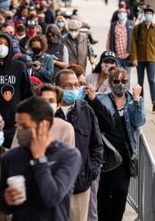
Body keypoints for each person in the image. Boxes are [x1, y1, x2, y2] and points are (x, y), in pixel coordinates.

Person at [0, 96, 82, 221]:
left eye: (25, 126)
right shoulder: (10, 157)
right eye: (18, 126)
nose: (20, 131)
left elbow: (52, 197)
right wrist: (7, 199)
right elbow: (4, 208)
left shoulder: (68, 155)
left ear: (44, 125)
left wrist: (40, 159)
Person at [96, 67, 145, 221]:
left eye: (124, 81)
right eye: (116, 81)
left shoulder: (133, 99)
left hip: (125, 154)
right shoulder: (102, 100)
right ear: (110, 82)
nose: (121, 84)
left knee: (121, 191)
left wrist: (137, 100)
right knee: (104, 190)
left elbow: (139, 121)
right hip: (107, 153)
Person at [54, 69, 103, 221]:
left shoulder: (86, 110)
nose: (74, 89)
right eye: (68, 85)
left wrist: (91, 172)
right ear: (58, 88)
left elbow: (96, 145)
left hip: (81, 185)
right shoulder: (49, 113)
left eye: (76, 85)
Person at [11, 83, 76, 148]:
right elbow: (14, 152)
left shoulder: (66, 128)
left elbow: (69, 155)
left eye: (51, 101)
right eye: (43, 100)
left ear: (58, 105)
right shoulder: (25, 125)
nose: (47, 104)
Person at [130, 7, 155, 112]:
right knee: (140, 81)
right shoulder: (138, 28)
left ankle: (154, 102)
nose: (148, 15)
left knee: (152, 80)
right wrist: (134, 58)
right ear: (144, 15)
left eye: (150, 14)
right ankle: (140, 101)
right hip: (140, 59)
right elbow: (133, 43)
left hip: (151, 58)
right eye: (147, 13)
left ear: (152, 16)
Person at [106, 6, 134, 80]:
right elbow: (109, 39)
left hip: (128, 56)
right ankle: (118, 91)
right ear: (117, 14)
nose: (122, 13)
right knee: (116, 76)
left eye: (123, 12)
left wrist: (134, 56)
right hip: (117, 56)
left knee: (127, 77)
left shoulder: (131, 24)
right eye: (120, 12)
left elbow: (135, 41)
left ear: (126, 14)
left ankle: (126, 91)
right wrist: (108, 54)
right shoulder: (113, 25)